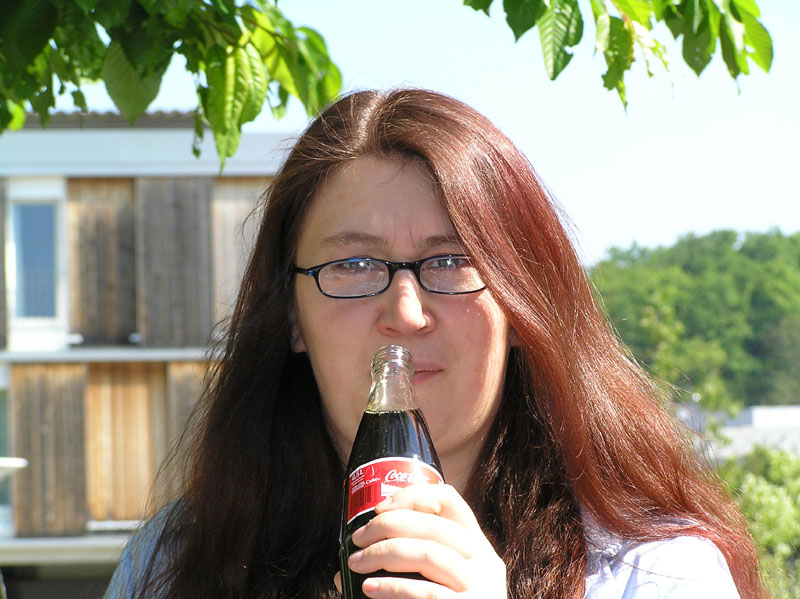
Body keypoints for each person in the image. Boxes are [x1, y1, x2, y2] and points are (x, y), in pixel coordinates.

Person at [105, 88, 765, 599]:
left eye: (451, 261)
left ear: (519, 308)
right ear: (291, 319)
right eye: (354, 264)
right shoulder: (171, 565)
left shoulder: (657, 573)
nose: (405, 311)